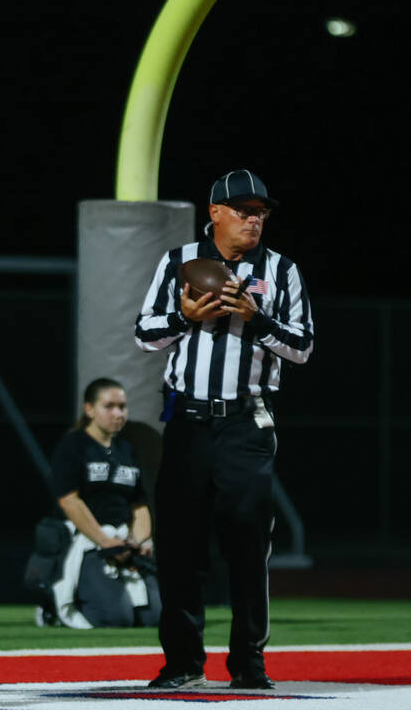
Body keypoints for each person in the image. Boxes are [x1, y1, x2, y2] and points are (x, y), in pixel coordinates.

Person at [134, 169, 314, 690]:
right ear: (214, 212)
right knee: (179, 547)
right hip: (188, 419)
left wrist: (258, 320)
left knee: (246, 543)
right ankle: (183, 663)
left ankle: (249, 664)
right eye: (243, 209)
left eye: (261, 211)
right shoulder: (176, 262)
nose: (254, 219)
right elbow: (145, 334)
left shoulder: (281, 270)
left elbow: (302, 348)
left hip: (247, 420)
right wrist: (186, 316)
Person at [45, 378, 159, 628]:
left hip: (121, 541)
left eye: (122, 406)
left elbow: (139, 504)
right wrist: (104, 541)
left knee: (156, 617)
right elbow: (68, 500)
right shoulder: (74, 445)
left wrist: (141, 542)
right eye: (109, 406)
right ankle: (54, 607)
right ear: (89, 409)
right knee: (115, 618)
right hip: (86, 541)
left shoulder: (126, 450)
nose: (118, 413)